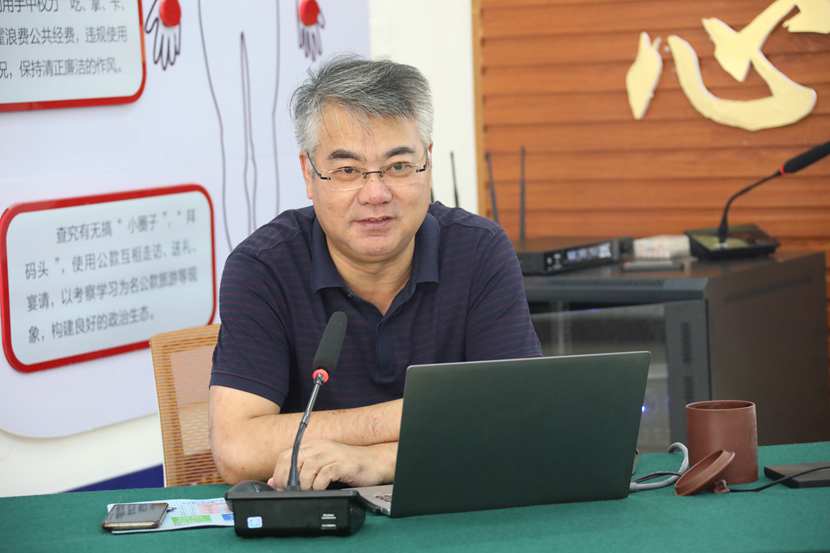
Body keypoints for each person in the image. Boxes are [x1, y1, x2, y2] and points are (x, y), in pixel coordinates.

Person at [209, 56, 541, 491]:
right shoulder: (264, 268)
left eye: (398, 166)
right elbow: (237, 451)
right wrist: (413, 415)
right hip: (317, 517)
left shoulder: (479, 251)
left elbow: (523, 425)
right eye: (347, 170)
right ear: (309, 173)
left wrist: (380, 461)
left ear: (427, 162)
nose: (375, 194)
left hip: (451, 509)